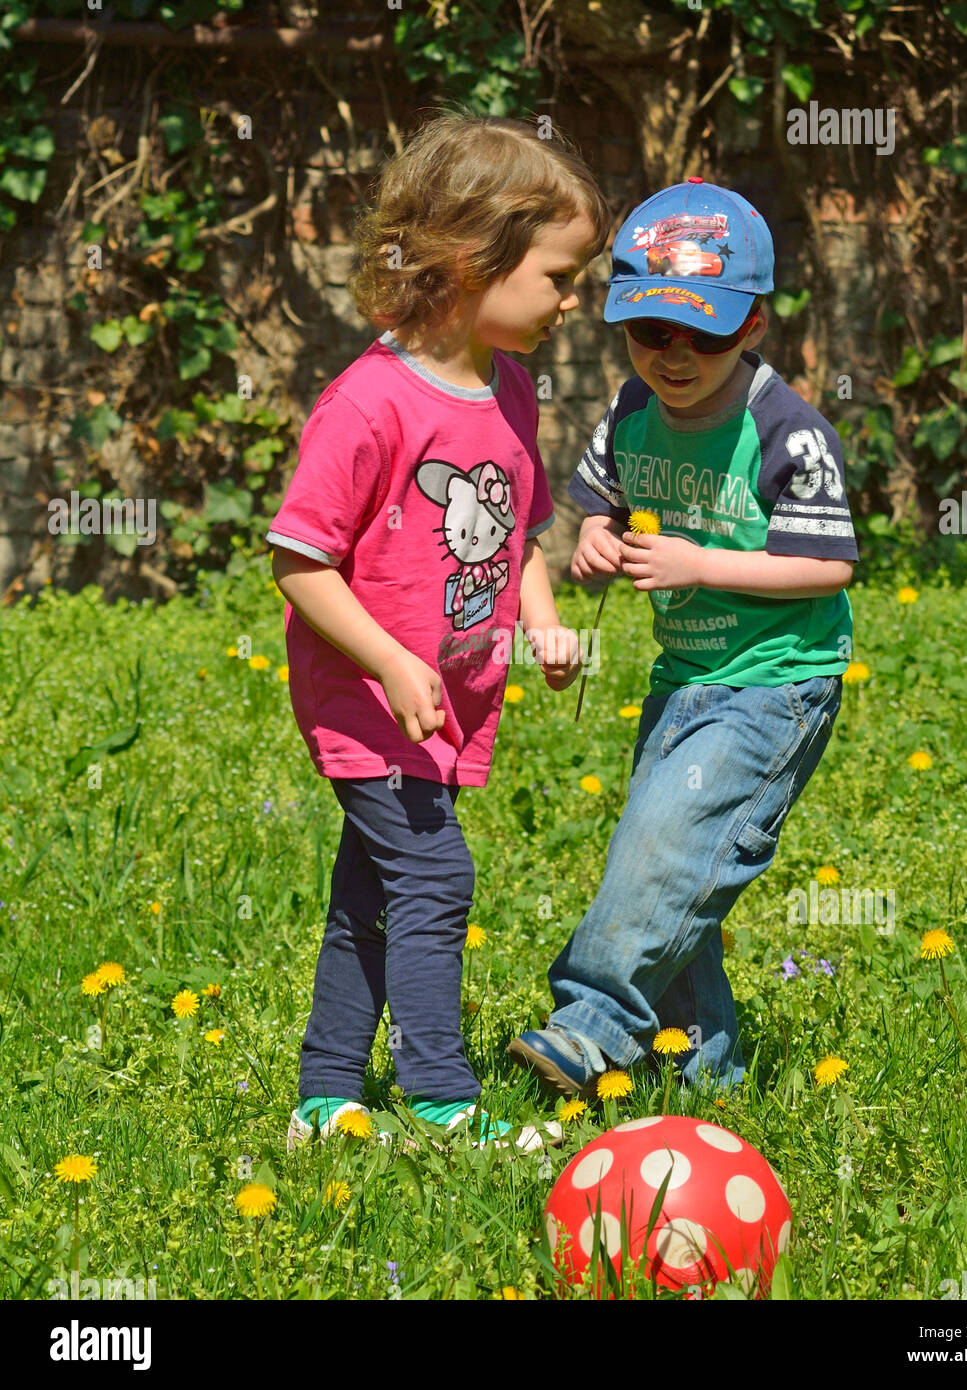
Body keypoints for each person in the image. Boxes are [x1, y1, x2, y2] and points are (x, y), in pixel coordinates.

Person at [267, 112, 609, 1151]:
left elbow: (522, 533)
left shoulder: (506, 387)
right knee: (435, 878)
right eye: (558, 275)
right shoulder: (367, 405)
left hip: (445, 705)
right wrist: (391, 656)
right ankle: (440, 1099)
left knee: (370, 894)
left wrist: (542, 625)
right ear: (471, 259)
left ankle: (327, 1095)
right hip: (372, 706)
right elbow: (299, 560)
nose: (572, 300)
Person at [508, 178, 858, 1097]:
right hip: (682, 676)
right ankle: (702, 1075)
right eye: (651, 331)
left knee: (666, 849)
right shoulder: (630, 410)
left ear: (751, 328)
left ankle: (590, 1027)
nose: (675, 355)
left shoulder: (786, 430)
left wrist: (700, 564)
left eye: (703, 334)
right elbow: (605, 511)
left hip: (775, 684)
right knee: (670, 865)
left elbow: (828, 567)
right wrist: (593, 539)